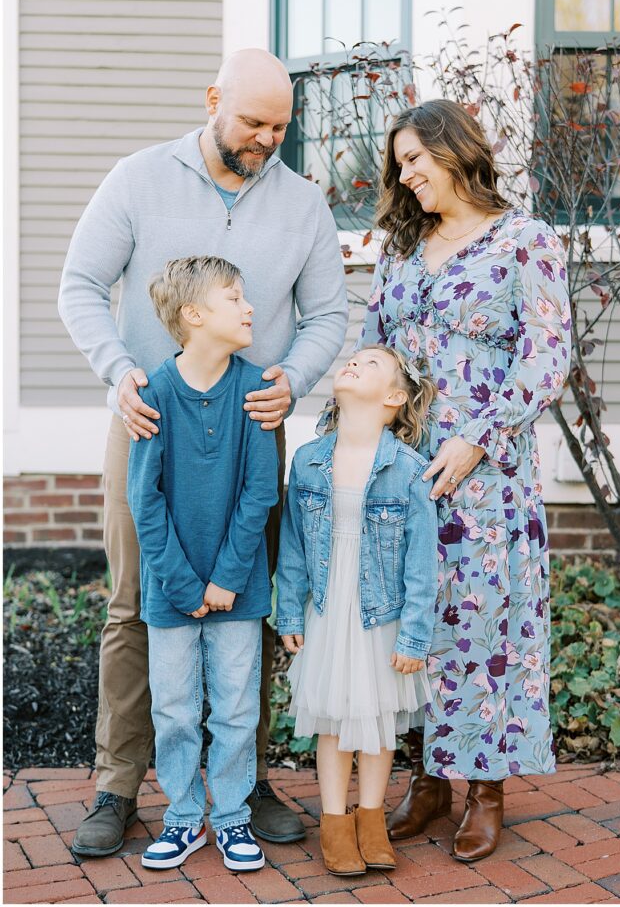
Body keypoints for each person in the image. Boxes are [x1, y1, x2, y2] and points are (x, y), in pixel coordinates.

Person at [59, 49, 348, 857]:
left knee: (243, 601)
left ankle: (242, 784)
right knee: (134, 602)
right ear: (214, 100)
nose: (266, 139)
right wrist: (120, 375)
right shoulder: (138, 177)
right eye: (253, 122)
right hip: (149, 423)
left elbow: (328, 312)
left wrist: (294, 377)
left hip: (254, 422)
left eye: (281, 128)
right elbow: (80, 284)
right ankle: (118, 784)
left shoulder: (303, 204)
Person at [357, 99, 571, 861]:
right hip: (405, 465)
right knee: (411, 622)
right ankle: (428, 779)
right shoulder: (401, 248)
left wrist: (477, 439)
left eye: (415, 159)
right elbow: (373, 342)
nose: (405, 175)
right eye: (400, 164)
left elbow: (547, 356)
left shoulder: (525, 241)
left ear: (455, 152)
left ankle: (485, 787)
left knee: (483, 627)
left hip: (485, 474)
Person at [127, 256, 277, 871]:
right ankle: (185, 817)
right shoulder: (153, 394)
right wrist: (187, 583)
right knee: (175, 708)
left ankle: (234, 815)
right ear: (194, 316)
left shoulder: (254, 391)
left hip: (236, 587)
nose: (249, 309)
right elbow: (146, 501)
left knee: (238, 706)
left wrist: (225, 579)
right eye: (234, 299)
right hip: (171, 591)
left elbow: (259, 493)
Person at [276, 345, 439, 876]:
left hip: (380, 611)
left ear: (394, 397)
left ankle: (371, 819)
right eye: (352, 359)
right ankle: (334, 821)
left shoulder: (410, 470)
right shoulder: (308, 459)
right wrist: (291, 614)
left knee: (377, 719)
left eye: (370, 364)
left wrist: (414, 637)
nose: (353, 363)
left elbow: (421, 564)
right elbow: (295, 546)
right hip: (329, 604)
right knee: (333, 719)